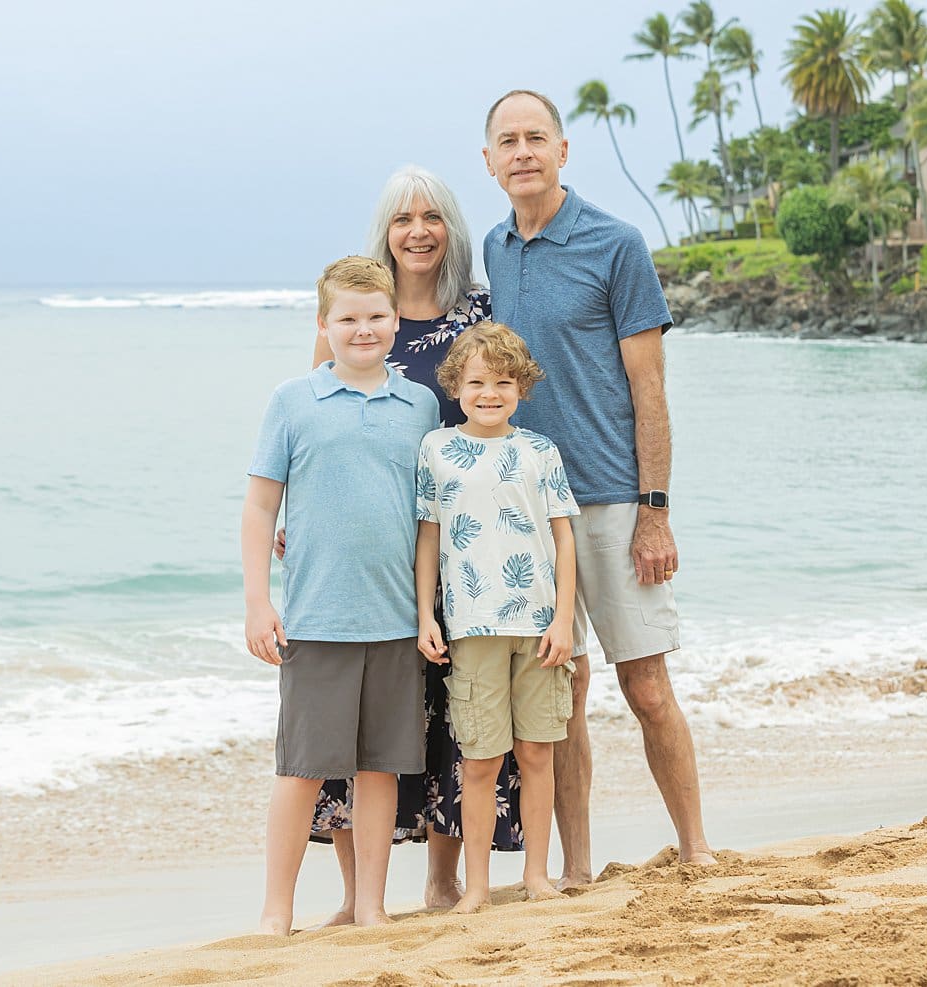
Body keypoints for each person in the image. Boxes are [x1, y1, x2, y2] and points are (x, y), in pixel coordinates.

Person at [479, 89, 718, 886]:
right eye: (507, 141)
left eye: (535, 138)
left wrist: (656, 511)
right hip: (527, 512)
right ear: (489, 160)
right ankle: (575, 870)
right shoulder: (495, 248)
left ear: (562, 151)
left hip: (615, 501)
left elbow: (650, 389)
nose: (522, 152)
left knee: (647, 686)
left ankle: (697, 849)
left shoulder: (617, 244)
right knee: (562, 700)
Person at [302, 166, 526, 920]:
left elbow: (512, 412)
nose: (419, 230)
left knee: (448, 712)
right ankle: (353, 895)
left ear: (451, 227)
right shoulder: (359, 312)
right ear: (385, 231)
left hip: (458, 547)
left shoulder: (478, 315)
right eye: (403, 219)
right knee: (355, 717)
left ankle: (440, 880)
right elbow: (312, 427)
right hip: (366, 552)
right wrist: (290, 519)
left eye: (432, 215)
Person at [242, 255, 439, 934]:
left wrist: (427, 612)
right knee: (300, 770)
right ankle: (277, 910)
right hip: (317, 619)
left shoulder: (420, 404)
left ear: (395, 320)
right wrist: (258, 602)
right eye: (348, 318)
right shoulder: (292, 401)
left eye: (377, 316)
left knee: (379, 769)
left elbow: (426, 520)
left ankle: (372, 905)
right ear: (323, 324)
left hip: (394, 620)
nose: (364, 329)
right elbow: (261, 507)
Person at [414, 322, 578, 913]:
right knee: (479, 760)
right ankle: (477, 886)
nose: (490, 393)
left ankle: (537, 874)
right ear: (455, 384)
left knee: (537, 753)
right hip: (471, 627)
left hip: (540, 629)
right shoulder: (436, 449)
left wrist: (564, 620)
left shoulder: (540, 451)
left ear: (522, 388)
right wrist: (424, 615)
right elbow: (428, 540)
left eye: (504, 382)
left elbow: (564, 540)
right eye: (477, 381)